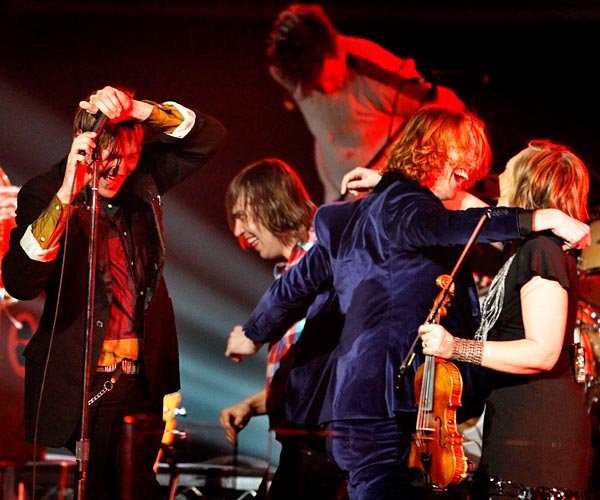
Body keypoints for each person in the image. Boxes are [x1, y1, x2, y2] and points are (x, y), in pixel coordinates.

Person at [224, 106, 590, 500]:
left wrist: (252, 332)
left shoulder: (357, 214)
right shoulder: (409, 208)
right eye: (468, 164)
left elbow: (294, 285)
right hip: (381, 399)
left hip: (353, 402)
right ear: (446, 155)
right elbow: (455, 224)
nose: (473, 177)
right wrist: (539, 218)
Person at [2, 85, 226, 500]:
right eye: (110, 158)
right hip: (89, 380)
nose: (118, 171)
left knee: (128, 485)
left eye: (130, 157)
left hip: (144, 378)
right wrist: (67, 194)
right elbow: (19, 280)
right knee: (124, 486)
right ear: (84, 145)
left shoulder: (141, 180)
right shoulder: (44, 191)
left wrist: (137, 108)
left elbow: (208, 137)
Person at [418, 139, 593, 499]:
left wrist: (456, 348)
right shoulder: (523, 246)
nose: (497, 181)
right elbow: (466, 204)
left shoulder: (541, 250)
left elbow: (542, 352)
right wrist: (386, 183)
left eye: (507, 173)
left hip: (537, 441)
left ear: (527, 184)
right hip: (517, 430)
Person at [220, 158, 348, 500]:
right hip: (302, 448)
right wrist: (254, 404)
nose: (237, 233)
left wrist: (251, 334)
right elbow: (310, 377)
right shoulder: (291, 271)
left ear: (272, 203)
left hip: (327, 451)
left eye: (242, 216)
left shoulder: (324, 262)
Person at [266, 3, 466, 203]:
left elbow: (449, 108)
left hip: (387, 206)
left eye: (319, 82)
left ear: (335, 49)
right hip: (341, 201)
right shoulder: (295, 75)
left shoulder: (370, 69)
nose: (318, 92)